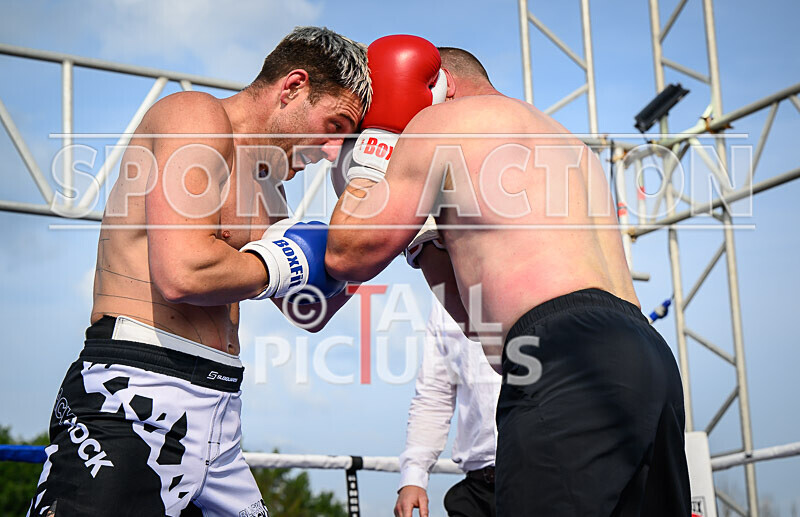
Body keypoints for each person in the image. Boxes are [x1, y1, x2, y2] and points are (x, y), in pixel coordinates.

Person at [326, 46, 691, 515]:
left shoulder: (439, 125)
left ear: (438, 85)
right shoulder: (569, 145)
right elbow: (476, 319)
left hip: (562, 352)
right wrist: (425, 240)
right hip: (649, 354)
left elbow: (347, 251)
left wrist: (373, 154)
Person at [28, 26, 371, 517]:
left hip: (220, 417)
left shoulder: (268, 190)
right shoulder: (194, 116)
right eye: (335, 125)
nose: (332, 150)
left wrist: (378, 221)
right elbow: (183, 274)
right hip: (133, 398)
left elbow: (310, 311)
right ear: (293, 86)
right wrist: (282, 261)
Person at [394, 299, 501, 517]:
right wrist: (414, 476)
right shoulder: (445, 301)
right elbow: (435, 395)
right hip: (477, 488)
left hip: (548, 480)